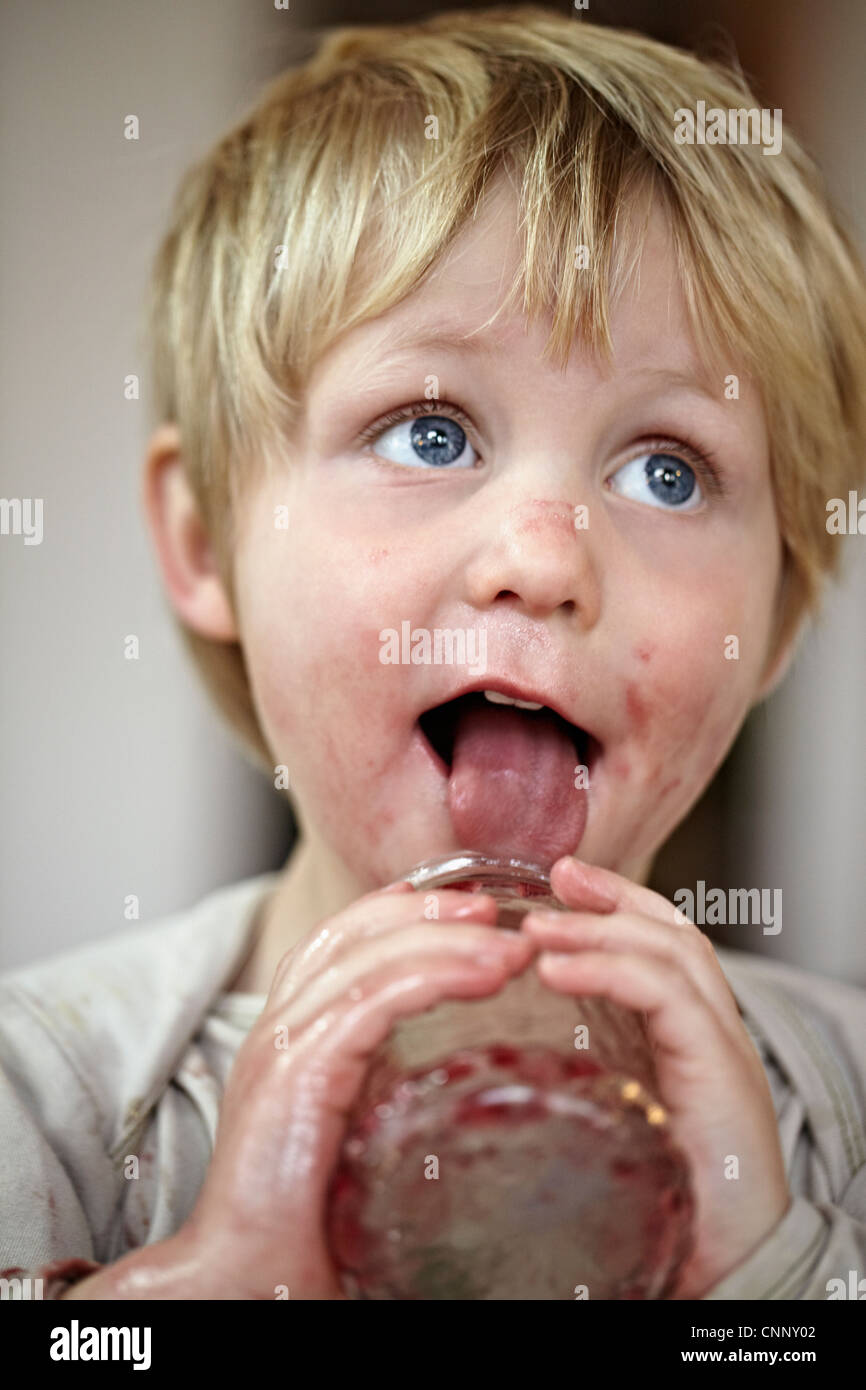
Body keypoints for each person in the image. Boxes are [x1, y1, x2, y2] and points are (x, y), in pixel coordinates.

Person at [2, 6, 865, 1301]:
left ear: (779, 621)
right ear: (204, 542)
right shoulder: (46, 1092)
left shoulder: (839, 1101)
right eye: (429, 432)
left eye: (665, 470)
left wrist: (772, 1273)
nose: (546, 558)